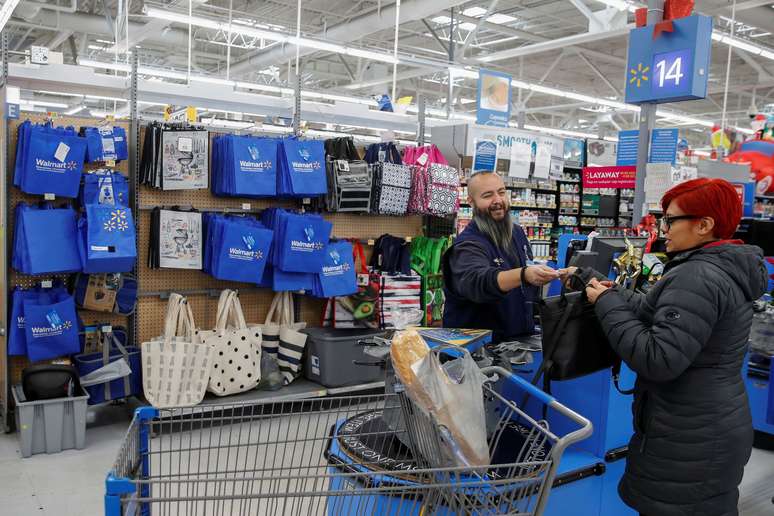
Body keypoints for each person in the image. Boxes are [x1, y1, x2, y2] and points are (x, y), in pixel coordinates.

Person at [560, 178, 768, 516]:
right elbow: (654, 311)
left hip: (689, 437)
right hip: (707, 425)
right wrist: (607, 289)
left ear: (704, 225)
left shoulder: (696, 276)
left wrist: (607, 304)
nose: (662, 229)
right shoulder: (717, 267)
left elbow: (658, 359)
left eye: (670, 220)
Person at [442, 171, 559, 342]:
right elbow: (478, 281)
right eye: (488, 195)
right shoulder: (467, 245)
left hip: (517, 341)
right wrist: (524, 274)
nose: (498, 200)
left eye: (501, 192)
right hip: (478, 349)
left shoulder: (517, 233)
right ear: (471, 202)